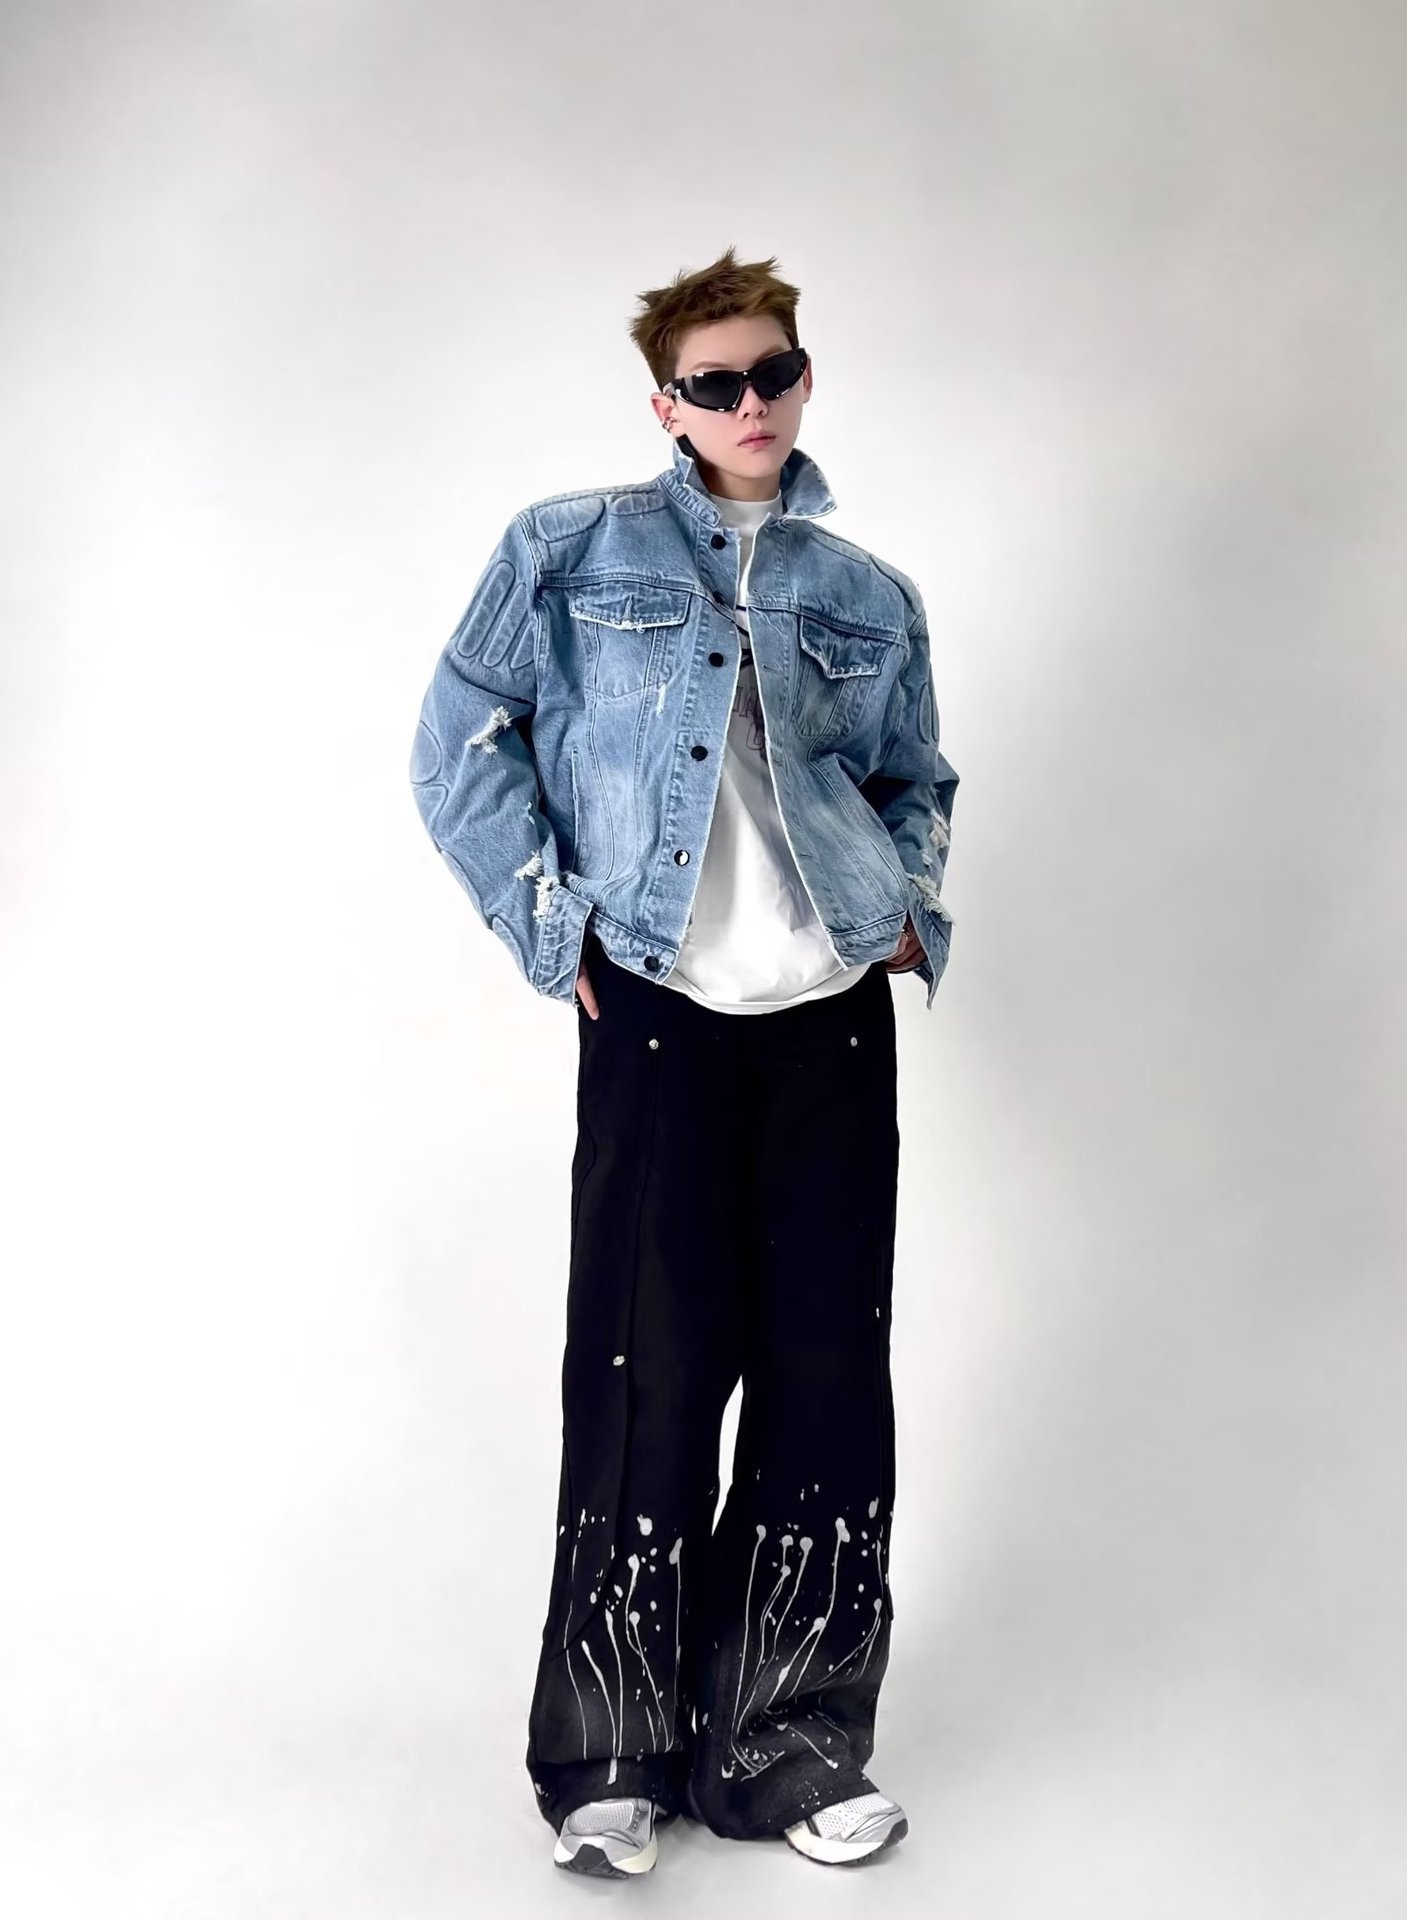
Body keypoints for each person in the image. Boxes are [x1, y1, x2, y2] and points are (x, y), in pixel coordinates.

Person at [408, 245, 958, 1877]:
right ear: (667, 404)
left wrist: (909, 911)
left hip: (830, 1014)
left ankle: (786, 1745)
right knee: (645, 1366)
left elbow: (916, 778)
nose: (749, 403)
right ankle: (610, 1757)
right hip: (654, 1006)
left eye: (772, 373)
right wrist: (551, 923)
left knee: (825, 1374)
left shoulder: (869, 594)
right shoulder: (567, 548)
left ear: (804, 377)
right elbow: (458, 742)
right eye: (715, 384)